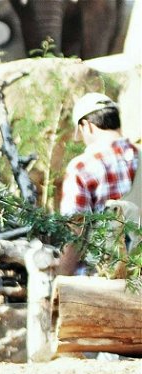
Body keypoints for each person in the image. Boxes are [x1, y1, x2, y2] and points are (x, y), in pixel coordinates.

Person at [57, 92, 139, 275]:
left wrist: (61, 282)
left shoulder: (82, 167)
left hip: (101, 285)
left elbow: (74, 236)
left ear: (87, 126)